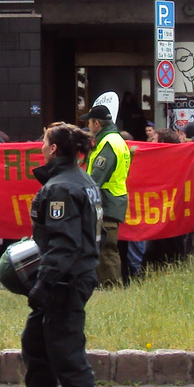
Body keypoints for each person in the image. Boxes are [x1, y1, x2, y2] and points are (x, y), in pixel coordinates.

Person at [13, 123, 103, 387]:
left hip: (66, 280)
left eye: (44, 142)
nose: (40, 145)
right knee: (35, 342)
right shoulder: (79, 180)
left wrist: (44, 284)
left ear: (54, 149)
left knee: (66, 350)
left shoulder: (62, 188)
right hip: (67, 277)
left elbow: (64, 245)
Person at [85, 103, 131, 287]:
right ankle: (108, 284)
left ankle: (112, 285)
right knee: (105, 246)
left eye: (89, 123)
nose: (88, 127)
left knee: (106, 247)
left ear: (97, 123)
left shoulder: (108, 144)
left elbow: (96, 177)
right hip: (112, 199)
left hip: (107, 201)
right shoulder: (116, 140)